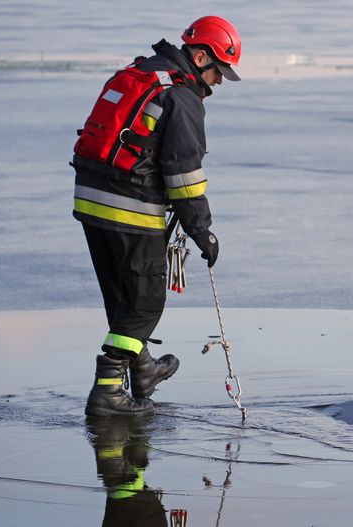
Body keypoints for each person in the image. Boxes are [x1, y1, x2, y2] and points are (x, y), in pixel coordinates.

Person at [73, 16, 242, 416]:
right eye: (219, 70)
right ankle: (107, 391)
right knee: (145, 304)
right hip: (130, 206)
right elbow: (184, 176)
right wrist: (202, 232)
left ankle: (143, 368)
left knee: (123, 297)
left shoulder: (140, 73)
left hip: (90, 198)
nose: (219, 81)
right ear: (200, 57)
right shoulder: (181, 96)